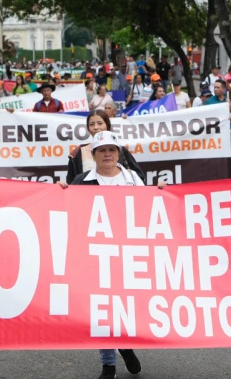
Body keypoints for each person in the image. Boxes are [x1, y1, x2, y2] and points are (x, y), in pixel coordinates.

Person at [60, 131, 160, 379]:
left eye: (112, 150)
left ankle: (124, 344)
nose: (107, 154)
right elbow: (68, 212)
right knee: (100, 307)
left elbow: (148, 209)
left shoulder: (133, 179)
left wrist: (160, 193)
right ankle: (108, 363)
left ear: (119, 154)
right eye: (102, 150)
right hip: (94, 253)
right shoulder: (82, 180)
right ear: (93, 155)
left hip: (127, 252)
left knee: (124, 304)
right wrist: (60, 193)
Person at [65, 110, 143, 184]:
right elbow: (71, 184)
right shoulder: (77, 153)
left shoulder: (121, 150)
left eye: (100, 123)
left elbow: (139, 177)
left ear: (107, 125)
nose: (96, 127)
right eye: (91, 124)